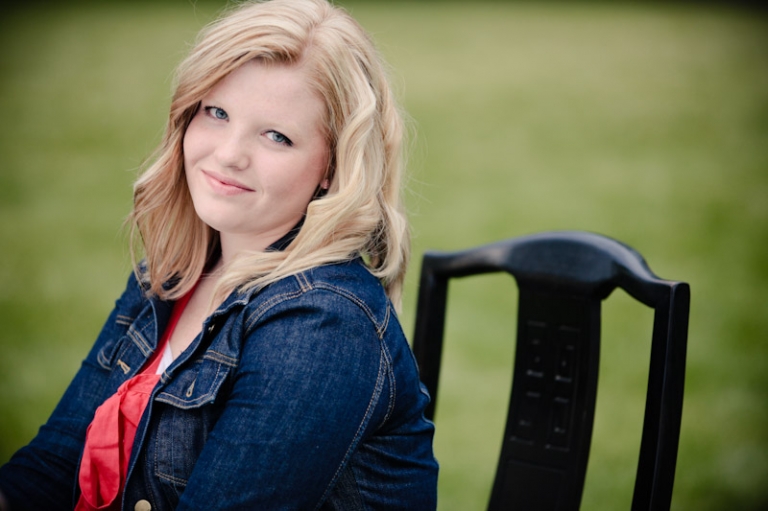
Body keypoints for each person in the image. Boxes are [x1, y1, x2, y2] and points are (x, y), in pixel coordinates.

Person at [0, 0, 439, 508]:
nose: (229, 154)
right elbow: (52, 468)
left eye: (276, 136)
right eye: (217, 113)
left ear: (333, 167)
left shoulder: (322, 324)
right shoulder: (171, 273)